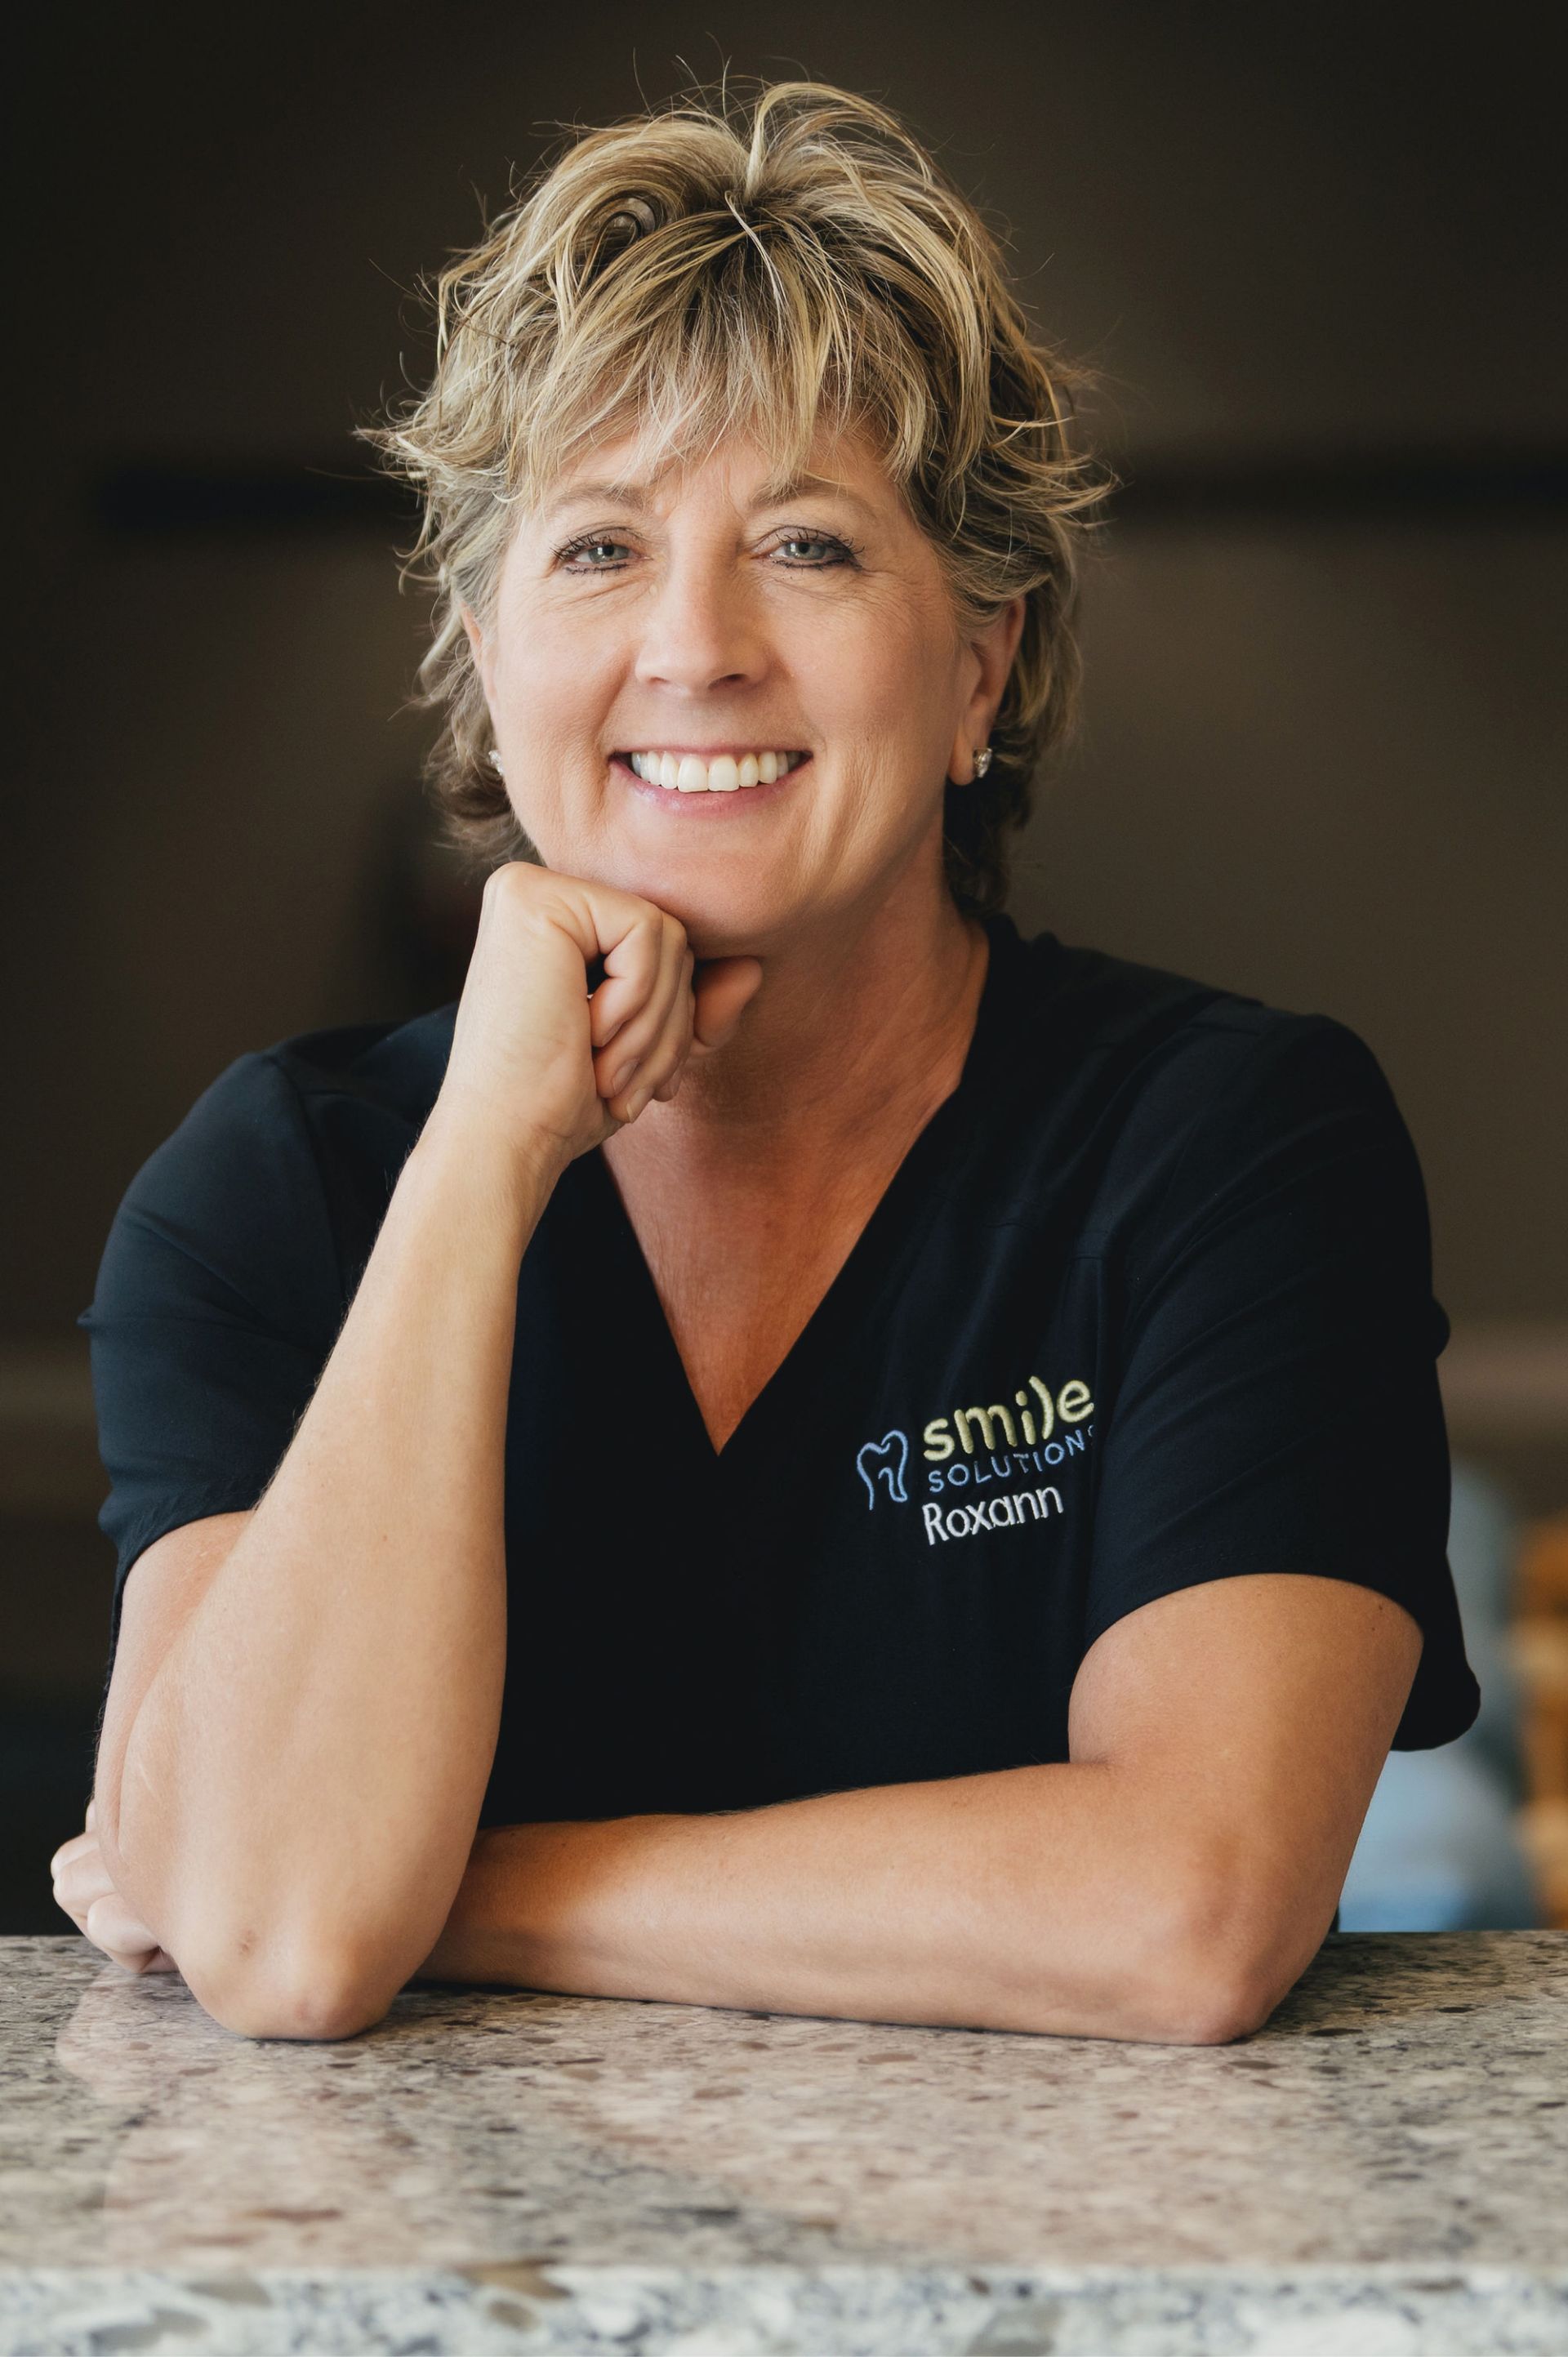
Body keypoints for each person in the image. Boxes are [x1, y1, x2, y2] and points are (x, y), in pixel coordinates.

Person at [53, 78, 1478, 2045]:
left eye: (806, 545)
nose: (696, 646)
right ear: (483, 653)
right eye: (595, 552)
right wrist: (484, 1150)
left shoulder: (1228, 1147)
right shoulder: (277, 1188)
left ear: (980, 662)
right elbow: (289, 1948)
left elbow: (1189, 1908)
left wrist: (443, 1884)